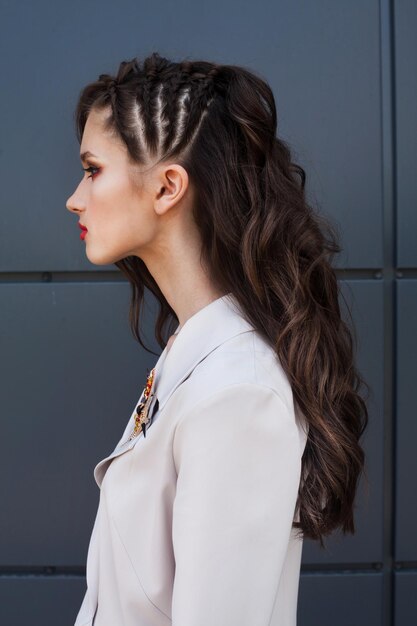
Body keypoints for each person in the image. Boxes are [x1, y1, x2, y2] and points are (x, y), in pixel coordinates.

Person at [66, 52, 369, 626]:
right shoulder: (193, 355)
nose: (74, 199)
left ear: (167, 188)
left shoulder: (238, 394)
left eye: (92, 169)